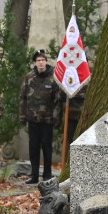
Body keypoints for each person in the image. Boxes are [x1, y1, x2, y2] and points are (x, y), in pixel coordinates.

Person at [22, 51, 63, 183]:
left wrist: (56, 119)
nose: (41, 63)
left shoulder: (53, 77)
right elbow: (23, 97)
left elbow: (57, 100)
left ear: (46, 61)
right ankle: (34, 175)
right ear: (35, 62)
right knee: (34, 148)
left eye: (43, 60)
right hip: (33, 119)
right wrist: (22, 116)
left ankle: (47, 174)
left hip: (47, 120)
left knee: (46, 147)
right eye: (38, 60)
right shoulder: (29, 77)